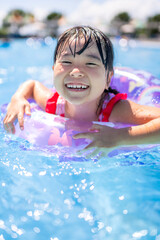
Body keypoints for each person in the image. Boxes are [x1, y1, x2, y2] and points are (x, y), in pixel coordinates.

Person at [3, 26, 160, 154]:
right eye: (66, 61)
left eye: (91, 64)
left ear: (108, 78)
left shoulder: (116, 110)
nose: (76, 71)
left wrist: (120, 137)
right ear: (53, 70)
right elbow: (32, 85)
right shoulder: (53, 103)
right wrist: (18, 98)